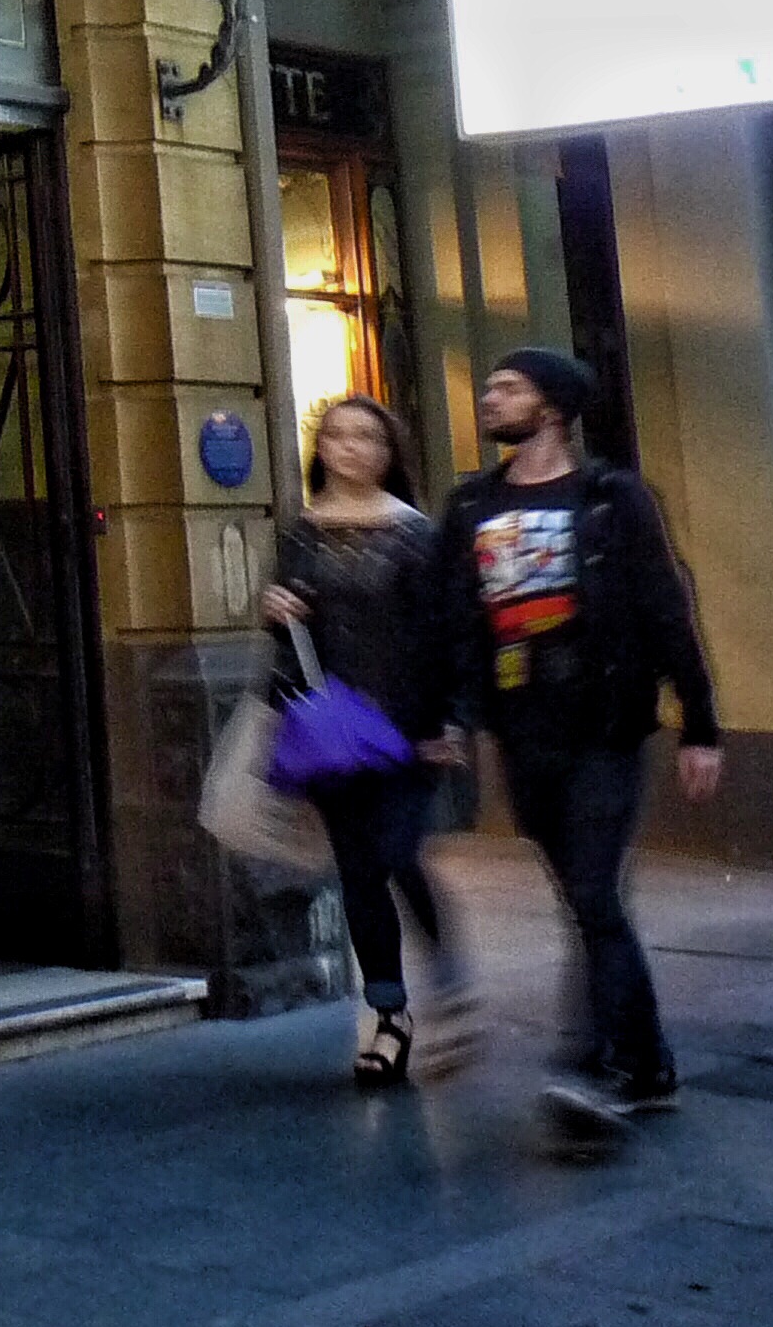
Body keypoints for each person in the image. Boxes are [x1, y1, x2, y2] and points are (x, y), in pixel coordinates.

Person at [432, 346, 721, 1151]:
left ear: (552, 409)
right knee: (589, 904)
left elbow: (665, 609)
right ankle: (650, 1064)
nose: (490, 399)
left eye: (509, 388)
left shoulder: (612, 498)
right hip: (522, 733)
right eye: (492, 387)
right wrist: (453, 717)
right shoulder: (470, 505)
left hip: (605, 728)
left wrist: (700, 724)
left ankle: (594, 1069)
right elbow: (456, 623)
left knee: (593, 894)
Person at [261, 395, 464, 1087]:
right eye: (337, 436)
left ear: (387, 451)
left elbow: (444, 635)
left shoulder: (415, 533)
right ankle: (389, 1015)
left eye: (366, 437)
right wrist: (276, 611)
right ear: (321, 449)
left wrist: (447, 720)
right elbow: (290, 631)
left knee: (397, 853)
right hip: (330, 728)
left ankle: (449, 973)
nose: (349, 447)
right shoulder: (302, 531)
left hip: (407, 728)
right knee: (358, 874)